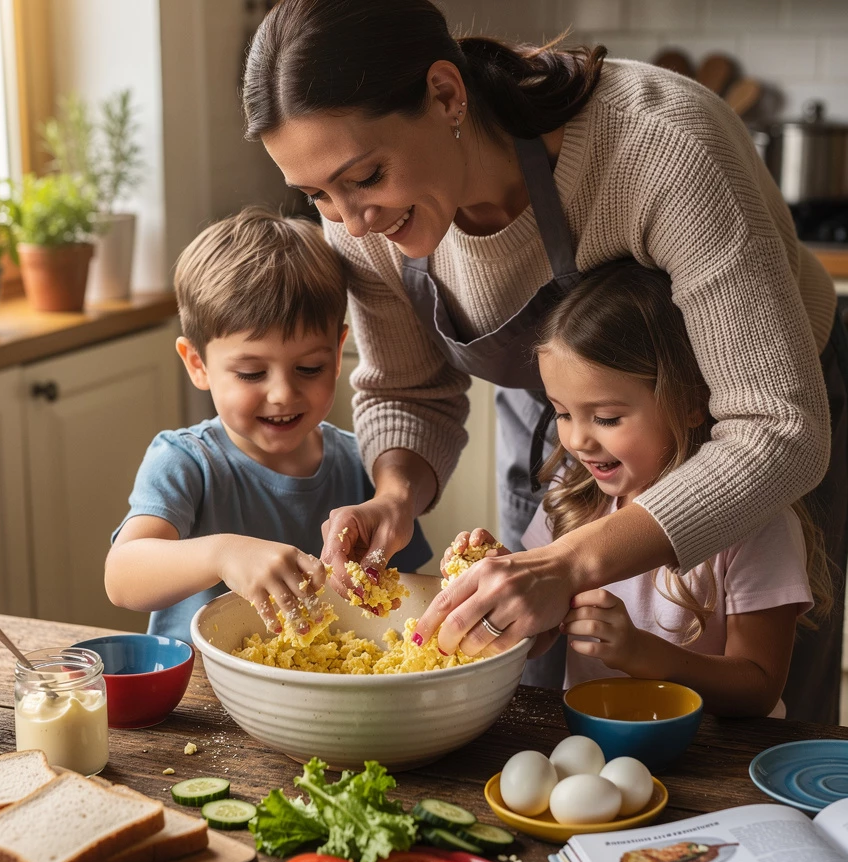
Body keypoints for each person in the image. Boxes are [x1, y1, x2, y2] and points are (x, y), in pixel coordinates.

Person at [242, 0, 847, 721]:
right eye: (317, 195)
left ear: (446, 94)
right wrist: (394, 497)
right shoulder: (355, 224)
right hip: (564, 437)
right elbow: (409, 388)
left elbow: (778, 430)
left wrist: (568, 562)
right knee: (540, 694)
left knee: (769, 733)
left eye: (368, 176)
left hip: (752, 433)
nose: (350, 223)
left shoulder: (663, 147)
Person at [451, 260, 831, 717]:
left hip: (715, 752)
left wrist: (640, 653)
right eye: (562, 413)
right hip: (599, 747)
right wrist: (502, 588)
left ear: (691, 402)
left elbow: (758, 688)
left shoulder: (754, 521)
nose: (577, 440)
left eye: (606, 418)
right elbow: (540, 637)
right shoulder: (574, 495)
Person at [104, 206, 431, 644]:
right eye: (252, 373)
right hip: (201, 683)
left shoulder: (366, 464)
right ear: (197, 364)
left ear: (338, 353)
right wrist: (222, 554)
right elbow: (121, 577)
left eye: (310, 368)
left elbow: (407, 596)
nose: (282, 393)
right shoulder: (186, 462)